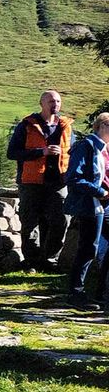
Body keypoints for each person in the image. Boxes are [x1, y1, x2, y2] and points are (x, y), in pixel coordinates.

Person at [8, 90, 74, 271]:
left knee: (62, 219)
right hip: (31, 181)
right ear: (42, 103)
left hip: (59, 181)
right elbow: (12, 153)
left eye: (58, 101)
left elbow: (73, 152)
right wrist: (41, 152)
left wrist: (65, 154)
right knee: (30, 221)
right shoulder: (27, 125)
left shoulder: (66, 126)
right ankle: (32, 261)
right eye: (51, 101)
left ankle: (50, 259)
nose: (56, 104)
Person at [63, 112, 109, 308]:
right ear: (101, 127)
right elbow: (74, 178)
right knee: (88, 248)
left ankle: (100, 293)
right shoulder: (87, 146)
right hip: (91, 204)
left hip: (103, 204)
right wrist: (99, 191)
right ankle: (76, 293)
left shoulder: (104, 149)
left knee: (94, 248)